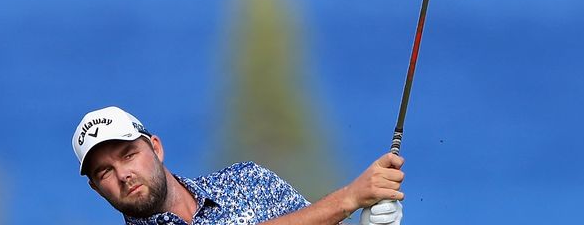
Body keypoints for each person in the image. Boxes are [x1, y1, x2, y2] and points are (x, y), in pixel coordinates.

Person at [72, 106, 405, 225]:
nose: (123, 175)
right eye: (105, 172)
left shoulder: (246, 180)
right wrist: (348, 198)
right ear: (95, 188)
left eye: (129, 155)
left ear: (156, 148)